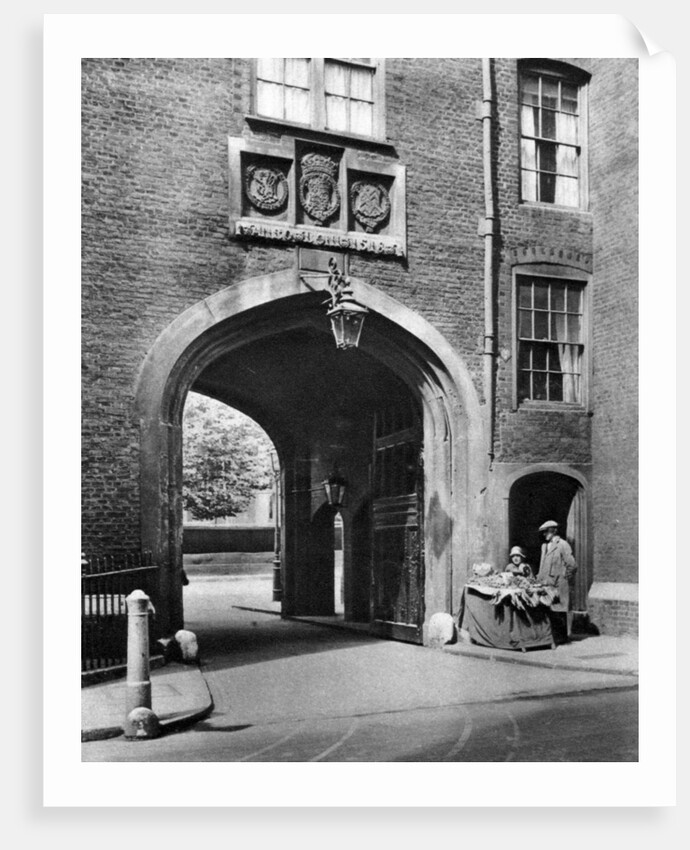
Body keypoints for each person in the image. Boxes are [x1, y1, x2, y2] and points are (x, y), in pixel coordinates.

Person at [536, 520, 577, 642]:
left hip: (559, 584)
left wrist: (564, 577)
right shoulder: (544, 546)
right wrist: (539, 578)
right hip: (546, 584)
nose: (544, 534)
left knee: (559, 610)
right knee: (548, 610)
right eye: (544, 532)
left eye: (547, 531)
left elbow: (572, 565)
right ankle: (551, 638)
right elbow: (542, 565)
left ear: (553, 531)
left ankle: (562, 638)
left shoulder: (563, 545)